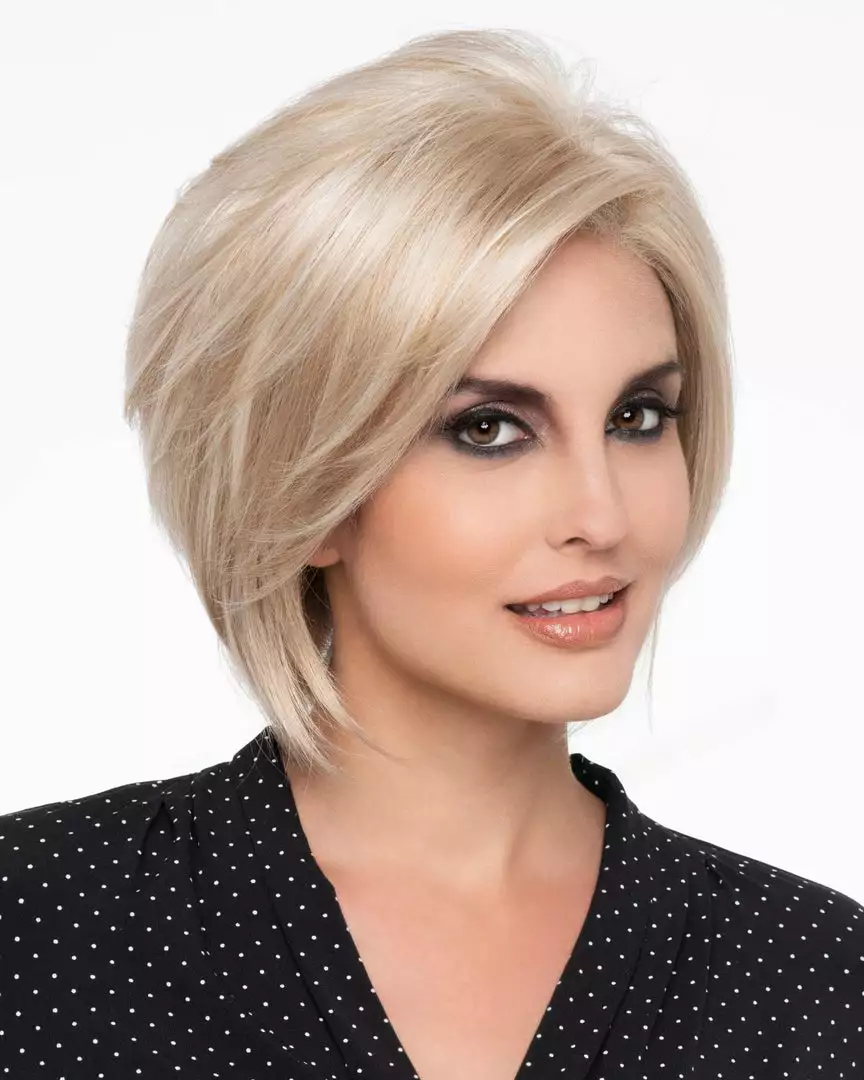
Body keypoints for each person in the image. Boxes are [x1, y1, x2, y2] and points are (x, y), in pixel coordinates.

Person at [1, 26, 862, 1080]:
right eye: (489, 429)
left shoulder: (817, 983)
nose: (602, 514)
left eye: (637, 417)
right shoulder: (39, 929)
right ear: (305, 488)